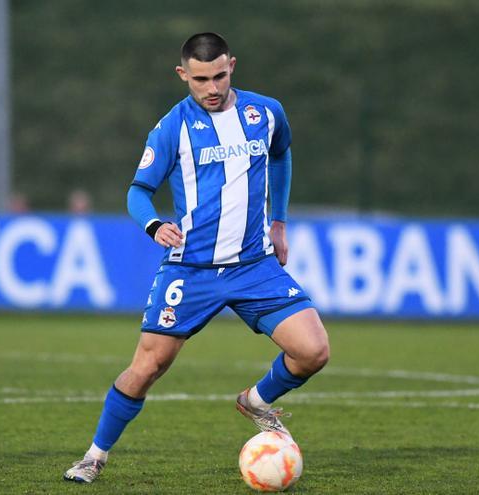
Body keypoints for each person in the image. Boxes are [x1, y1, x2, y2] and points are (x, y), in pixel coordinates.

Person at [63, 33, 330, 483]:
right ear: (183, 75)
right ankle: (94, 456)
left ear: (233, 67)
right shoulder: (172, 127)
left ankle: (257, 402)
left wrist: (279, 222)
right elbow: (138, 191)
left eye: (220, 76)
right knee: (147, 367)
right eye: (201, 79)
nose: (212, 87)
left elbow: (281, 155)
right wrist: (154, 225)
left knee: (313, 351)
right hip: (191, 269)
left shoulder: (265, 112)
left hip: (253, 265)